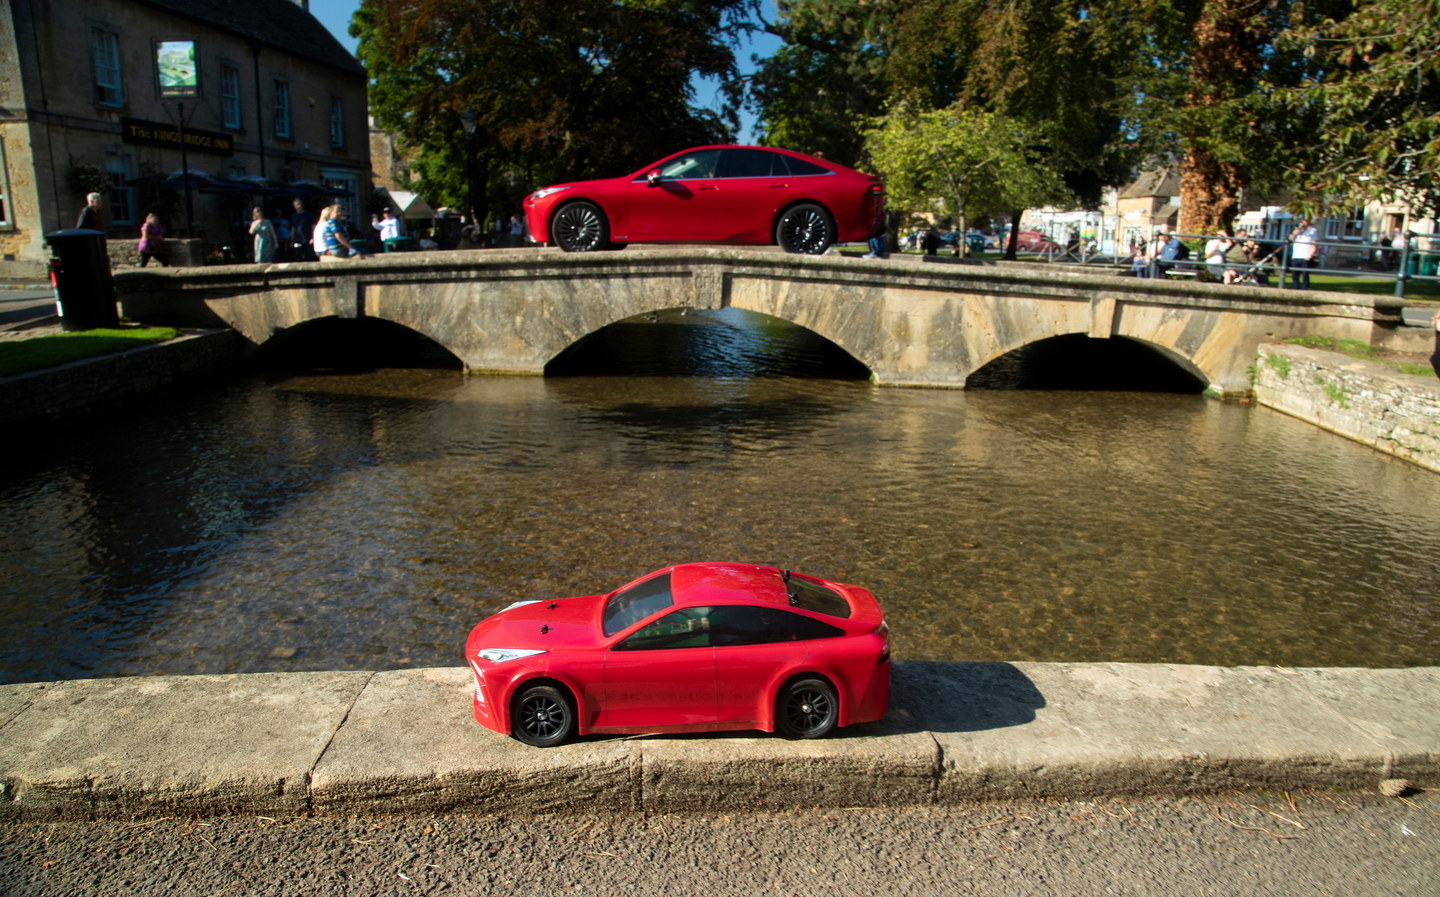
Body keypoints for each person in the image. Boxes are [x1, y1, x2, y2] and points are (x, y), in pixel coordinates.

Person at [1288, 218, 1318, 289]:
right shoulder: (1297, 230)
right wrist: (1295, 233)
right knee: (1295, 275)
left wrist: (1310, 255)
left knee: (1305, 275)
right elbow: (1290, 239)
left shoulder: (1312, 231)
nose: (1303, 223)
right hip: (1296, 255)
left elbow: (1315, 244)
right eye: (1302, 221)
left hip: (1305, 256)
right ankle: (1295, 288)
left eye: (1305, 221)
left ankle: (1305, 289)